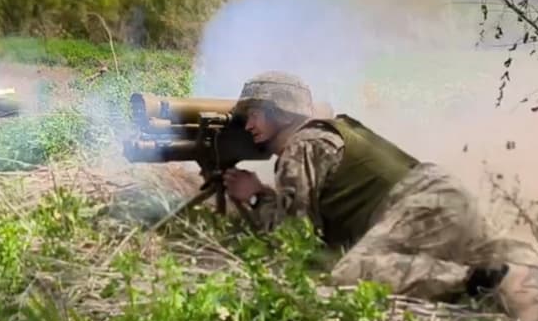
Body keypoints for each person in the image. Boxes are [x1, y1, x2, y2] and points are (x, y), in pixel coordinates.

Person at [221, 70, 520, 305]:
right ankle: (494, 281)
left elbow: (296, 240)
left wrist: (257, 197)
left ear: (280, 112)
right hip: (445, 201)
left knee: (348, 273)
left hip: (421, 208)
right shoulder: (330, 131)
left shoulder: (302, 146)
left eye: (256, 113)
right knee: (519, 284)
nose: (249, 125)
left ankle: (472, 281)